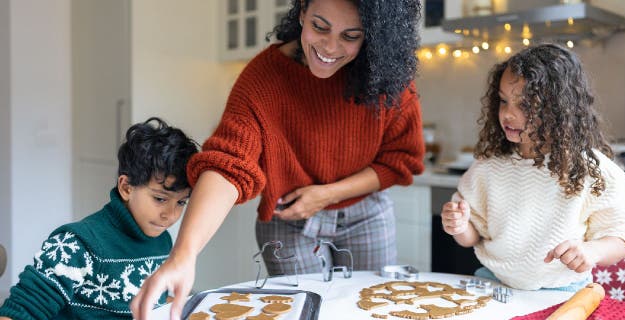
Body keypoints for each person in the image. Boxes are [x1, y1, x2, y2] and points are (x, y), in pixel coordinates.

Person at [130, 0, 425, 318]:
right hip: (288, 221)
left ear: (372, 35)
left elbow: (401, 160)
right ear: (301, 13)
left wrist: (327, 194)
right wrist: (183, 255)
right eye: (319, 27)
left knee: (370, 310)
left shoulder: (388, 78)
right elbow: (228, 164)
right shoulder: (263, 79)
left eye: (350, 36)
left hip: (366, 215)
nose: (329, 46)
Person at [441, 43, 625, 291]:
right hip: (494, 282)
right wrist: (460, 226)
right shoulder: (489, 166)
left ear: (558, 108)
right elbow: (473, 236)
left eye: (524, 105)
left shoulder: (588, 166)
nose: (508, 114)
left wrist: (592, 250)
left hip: (563, 288)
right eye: (503, 101)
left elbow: (621, 237)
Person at [0, 117, 199, 319]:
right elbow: (19, 312)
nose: (171, 215)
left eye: (181, 202)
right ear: (126, 187)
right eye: (160, 198)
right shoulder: (74, 245)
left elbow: (148, 302)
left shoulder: (162, 240)